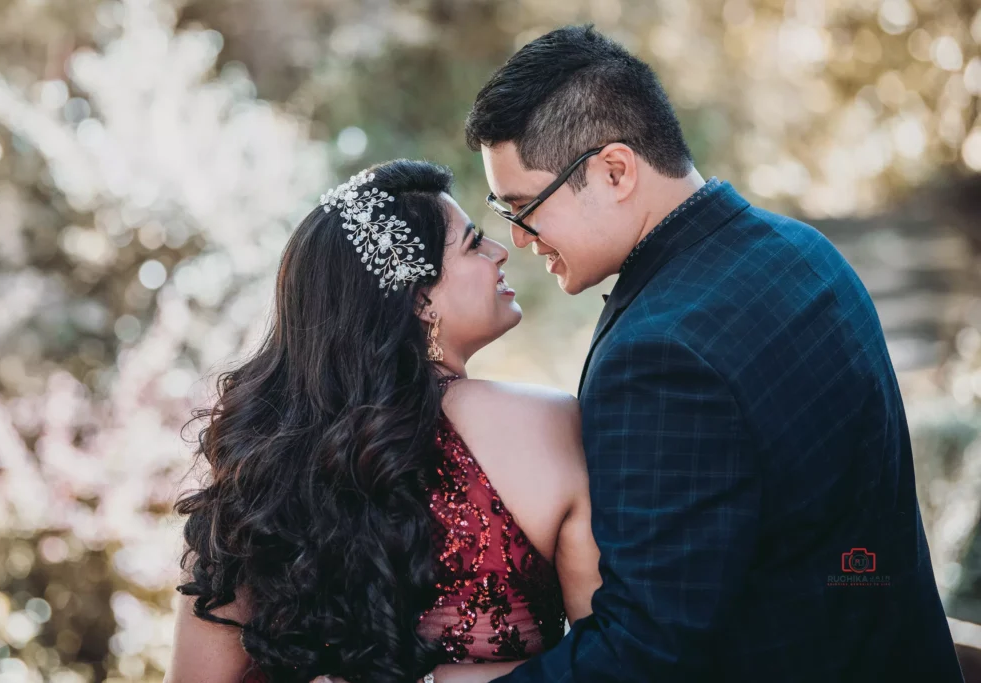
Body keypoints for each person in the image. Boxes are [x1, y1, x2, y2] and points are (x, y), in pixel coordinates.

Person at [466, 25, 964, 682]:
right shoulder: (804, 252)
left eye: (525, 207)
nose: (518, 239)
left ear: (615, 171)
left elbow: (645, 651)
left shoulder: (660, 353)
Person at [164, 160, 602, 683]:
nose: (501, 250)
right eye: (474, 243)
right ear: (419, 299)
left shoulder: (257, 475)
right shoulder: (545, 423)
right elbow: (616, 656)